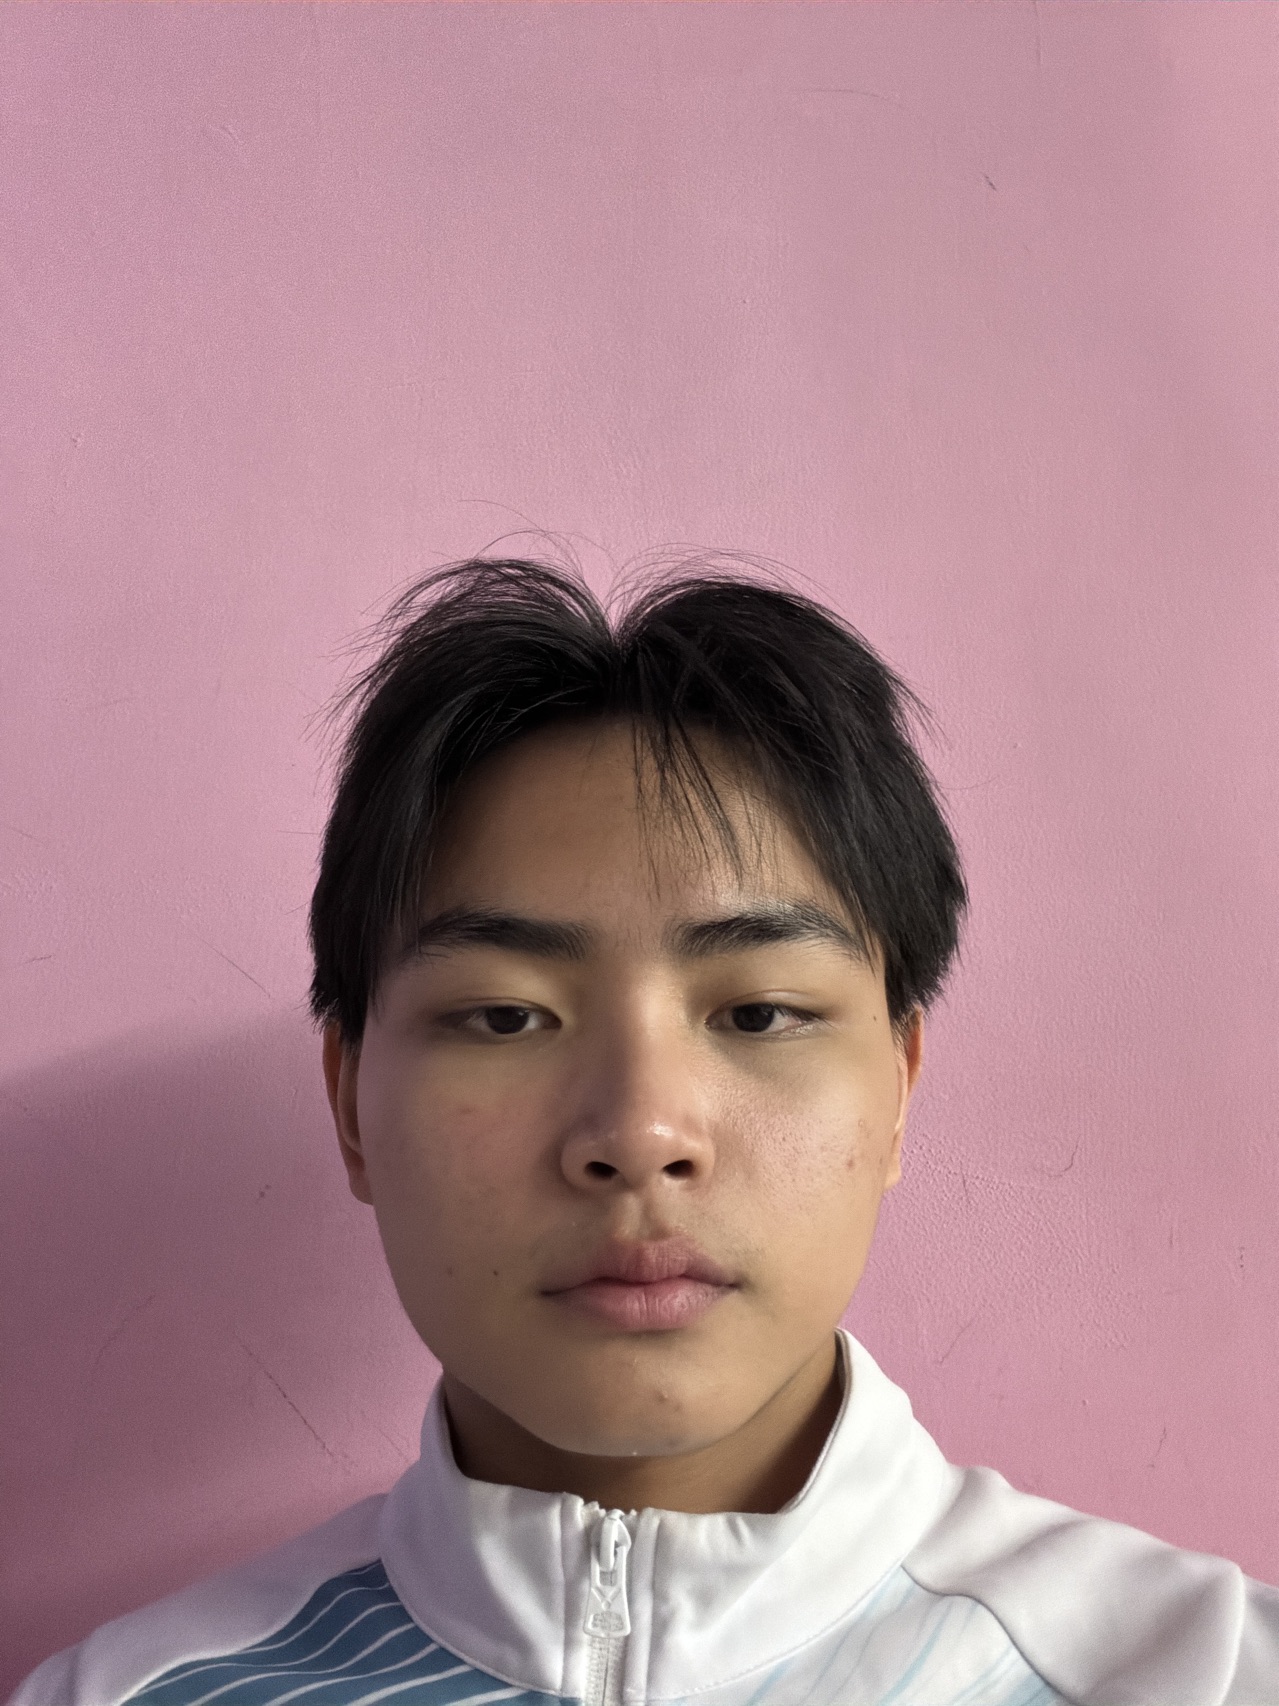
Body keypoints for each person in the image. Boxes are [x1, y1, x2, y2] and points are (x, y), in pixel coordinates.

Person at [12, 559, 1278, 1706]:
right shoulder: (124, 1694)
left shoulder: (1198, 1671)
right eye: (505, 1015)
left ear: (898, 1083)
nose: (639, 1132)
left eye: (759, 1011)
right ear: (349, 1103)